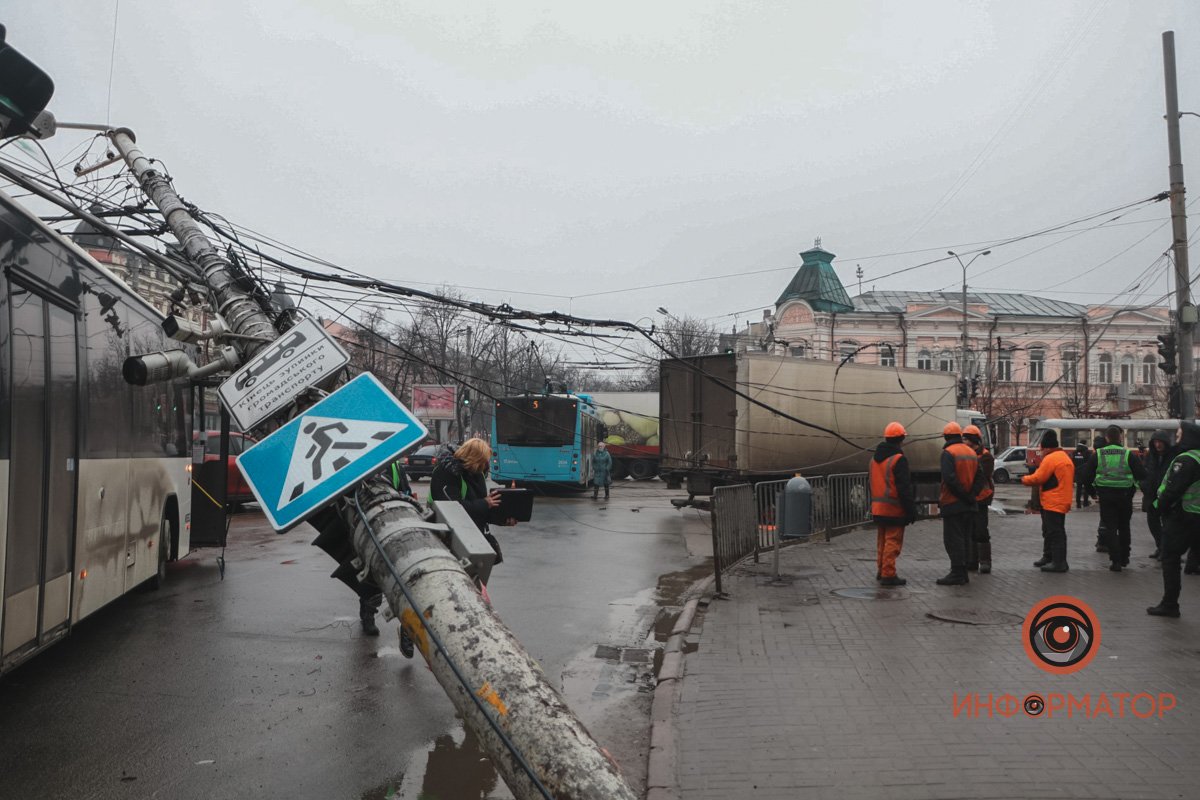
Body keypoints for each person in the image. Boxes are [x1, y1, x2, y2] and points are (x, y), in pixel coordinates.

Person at [429, 438, 514, 565]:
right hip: (448, 541)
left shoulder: (476, 474)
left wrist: (502, 519)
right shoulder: (446, 472)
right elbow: (452, 510)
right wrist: (485, 503)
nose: (487, 466)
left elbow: (480, 511)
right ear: (474, 458)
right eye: (484, 461)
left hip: (472, 539)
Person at [1147, 421, 1200, 617]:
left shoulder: (1185, 460)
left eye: (1179, 433)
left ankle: (1170, 604)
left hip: (1182, 517)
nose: (1177, 436)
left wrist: (1157, 508)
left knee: (1170, 559)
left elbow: (1172, 491)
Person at [1084, 425, 1146, 572]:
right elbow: (1142, 475)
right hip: (1124, 496)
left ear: (1107, 438)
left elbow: (1086, 477)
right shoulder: (1128, 455)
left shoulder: (1098, 455)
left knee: (1110, 528)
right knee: (1124, 527)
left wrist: (1093, 492)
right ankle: (1125, 557)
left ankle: (1115, 561)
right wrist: (1132, 489)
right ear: (1120, 437)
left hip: (1106, 497)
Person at [870, 421, 919, 587]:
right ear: (900, 439)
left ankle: (881, 569)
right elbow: (904, 488)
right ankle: (888, 574)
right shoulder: (899, 459)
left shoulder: (874, 459)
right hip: (893, 508)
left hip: (878, 508)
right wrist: (911, 510)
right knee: (892, 541)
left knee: (882, 541)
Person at [1021, 430, 1074, 572]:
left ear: (1047, 447)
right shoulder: (1063, 456)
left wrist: (1024, 479)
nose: (1040, 451)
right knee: (1052, 531)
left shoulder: (1051, 459)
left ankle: (1058, 562)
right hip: (1060, 499)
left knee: (1055, 532)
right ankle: (1049, 557)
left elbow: (1039, 477)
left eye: (1042, 448)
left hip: (1053, 501)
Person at [936, 422, 981, 586]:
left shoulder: (948, 453)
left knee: (953, 540)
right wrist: (971, 495)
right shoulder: (971, 452)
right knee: (964, 539)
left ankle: (957, 572)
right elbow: (980, 477)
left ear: (946, 437)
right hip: (969, 505)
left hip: (953, 503)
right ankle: (962, 573)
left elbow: (949, 479)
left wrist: (963, 495)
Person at [963, 425, 994, 573]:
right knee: (970, 530)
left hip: (981, 498)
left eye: (965, 439)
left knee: (981, 530)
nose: (963, 441)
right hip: (971, 497)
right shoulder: (968, 453)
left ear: (973, 440)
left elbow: (981, 475)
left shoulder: (986, 456)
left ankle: (985, 562)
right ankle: (971, 561)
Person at [1142, 430, 1174, 559]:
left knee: (1167, 525)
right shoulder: (1150, 456)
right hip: (1151, 495)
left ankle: (1165, 550)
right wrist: (1144, 486)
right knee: (1153, 522)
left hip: (1166, 496)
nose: (1158, 445)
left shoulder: (1172, 456)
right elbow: (1144, 472)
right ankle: (1160, 546)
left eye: (1160, 442)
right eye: (1155, 442)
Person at [1091, 435, 1109, 553]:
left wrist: (1092, 492)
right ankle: (1105, 541)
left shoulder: (1095, 456)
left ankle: (1102, 541)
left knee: (1104, 517)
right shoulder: (1108, 455)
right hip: (1117, 491)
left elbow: (1087, 475)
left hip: (1101, 490)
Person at [1072, 443, 1091, 509]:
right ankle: (1085, 503)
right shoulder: (1087, 452)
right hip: (1085, 473)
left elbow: (1072, 462)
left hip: (1077, 473)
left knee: (1079, 488)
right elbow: (1089, 463)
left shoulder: (1074, 453)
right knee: (1086, 488)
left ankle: (1078, 503)